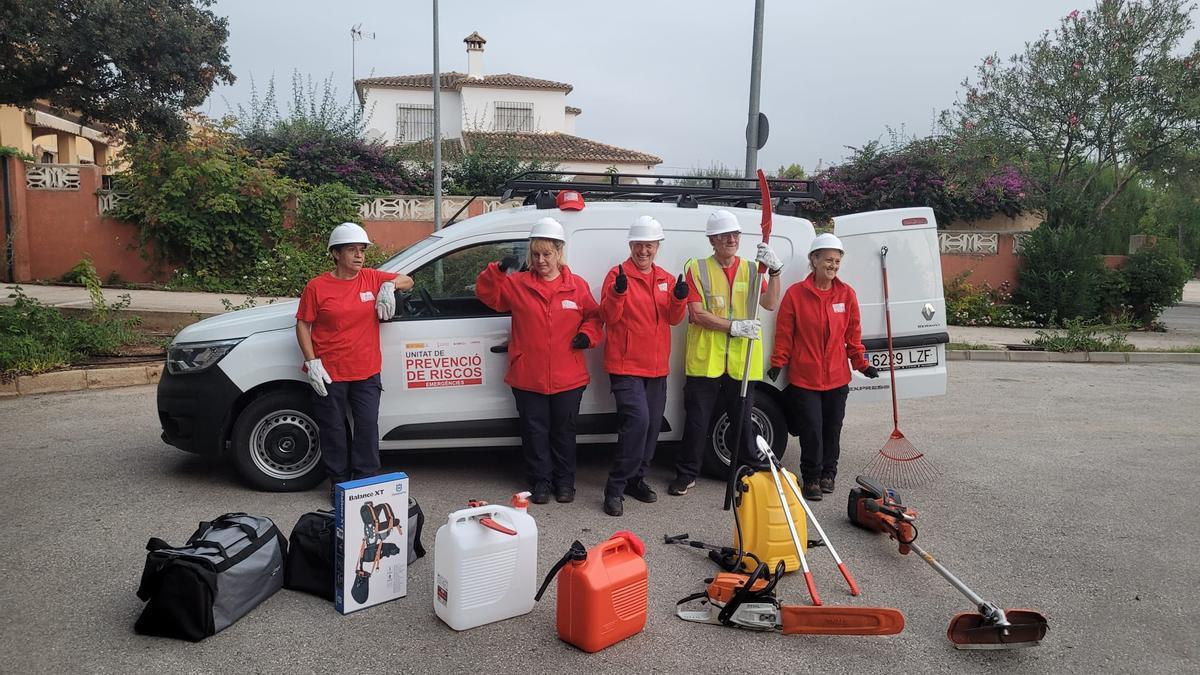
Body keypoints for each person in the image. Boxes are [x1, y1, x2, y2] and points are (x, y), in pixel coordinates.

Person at [475, 217, 603, 505]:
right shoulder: (517, 284)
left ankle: (565, 483)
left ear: (559, 252)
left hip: (568, 375)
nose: (541, 260)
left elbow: (594, 317)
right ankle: (540, 482)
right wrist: (495, 271)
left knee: (564, 433)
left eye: (547, 253)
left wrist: (587, 335)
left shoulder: (577, 286)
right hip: (528, 375)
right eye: (536, 254)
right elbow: (488, 295)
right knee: (534, 433)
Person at [296, 222, 414, 504]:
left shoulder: (372, 278)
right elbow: (303, 325)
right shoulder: (317, 286)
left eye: (361, 250)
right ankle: (339, 485)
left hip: (366, 371)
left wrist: (389, 284)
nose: (359, 256)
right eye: (352, 250)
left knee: (366, 427)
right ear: (336, 254)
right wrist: (311, 362)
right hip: (329, 372)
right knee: (334, 430)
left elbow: (408, 279)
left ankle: (365, 484)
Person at [671, 209, 783, 496]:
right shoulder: (696, 268)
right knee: (697, 420)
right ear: (713, 240)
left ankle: (749, 470)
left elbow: (770, 303)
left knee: (743, 420)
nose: (731, 239)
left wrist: (775, 271)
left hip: (742, 360)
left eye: (734, 234)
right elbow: (696, 314)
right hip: (706, 359)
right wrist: (734, 327)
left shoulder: (751, 268)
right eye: (724, 235)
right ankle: (686, 474)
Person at [768, 232, 879, 501]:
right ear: (814, 260)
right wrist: (778, 362)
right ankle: (812, 478)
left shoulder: (846, 294)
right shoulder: (796, 294)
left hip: (837, 378)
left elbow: (852, 335)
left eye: (837, 261)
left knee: (832, 428)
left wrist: (861, 364)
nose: (833, 265)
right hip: (805, 378)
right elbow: (784, 332)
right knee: (811, 429)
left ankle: (829, 473)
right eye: (828, 260)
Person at [598, 216, 689, 516]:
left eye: (649, 245)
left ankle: (637, 479)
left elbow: (673, 319)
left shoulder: (664, 277)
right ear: (631, 245)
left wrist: (679, 299)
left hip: (656, 366)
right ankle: (615, 487)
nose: (644, 250)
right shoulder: (617, 275)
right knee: (637, 422)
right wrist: (618, 293)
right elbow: (609, 318)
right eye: (639, 245)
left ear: (657, 246)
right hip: (625, 365)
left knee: (651, 428)